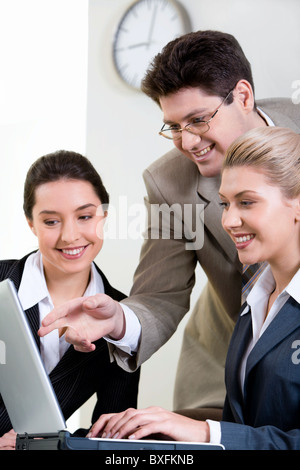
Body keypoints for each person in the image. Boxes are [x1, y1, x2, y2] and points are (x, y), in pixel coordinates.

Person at [39, 31, 300, 420]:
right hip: (229, 347)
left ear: (243, 96)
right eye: (173, 126)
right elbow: (159, 294)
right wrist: (118, 319)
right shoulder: (171, 183)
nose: (187, 141)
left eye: (198, 120)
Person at [86, 127, 300, 450]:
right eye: (226, 204)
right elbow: (245, 428)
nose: (229, 221)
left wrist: (203, 432)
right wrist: (149, 436)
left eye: (247, 202)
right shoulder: (254, 299)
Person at [0, 150, 140, 450]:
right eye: (51, 221)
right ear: (31, 223)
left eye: (85, 216)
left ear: (104, 216)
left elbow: (111, 435)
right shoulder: (1, 281)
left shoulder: (122, 319)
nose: (70, 236)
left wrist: (45, 444)